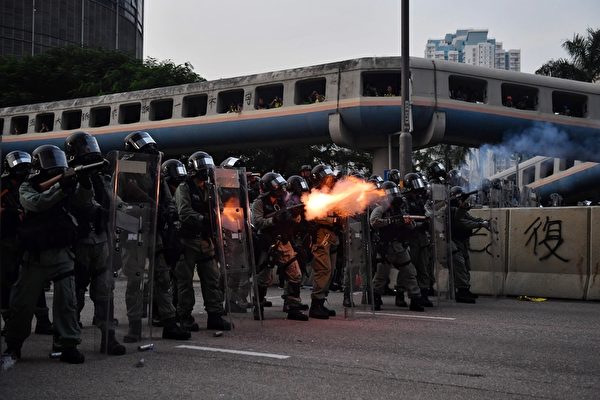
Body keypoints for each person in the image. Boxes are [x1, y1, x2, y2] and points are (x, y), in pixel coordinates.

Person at [3, 145, 91, 363]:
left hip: (61, 254)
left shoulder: (68, 185)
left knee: (67, 303)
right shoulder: (27, 187)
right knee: (22, 305)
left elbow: (85, 203)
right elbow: (36, 203)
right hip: (34, 257)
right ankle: (14, 345)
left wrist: (85, 183)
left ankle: (68, 344)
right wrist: (61, 187)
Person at [120, 131, 190, 342]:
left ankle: (169, 321)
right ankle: (134, 326)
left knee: (162, 277)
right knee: (135, 280)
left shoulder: (153, 169)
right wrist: (134, 215)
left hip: (154, 230)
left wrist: (168, 212)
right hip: (134, 229)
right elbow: (117, 200)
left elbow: (166, 198)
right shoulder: (123, 168)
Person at [65, 132, 126, 355]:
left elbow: (113, 203)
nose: (90, 151)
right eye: (85, 148)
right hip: (79, 243)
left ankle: (108, 337)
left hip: (101, 242)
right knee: (75, 294)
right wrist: (83, 178)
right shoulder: (69, 177)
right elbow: (83, 202)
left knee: (104, 291)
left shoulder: (101, 178)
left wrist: (133, 214)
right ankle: (66, 339)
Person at [175, 150, 232, 331]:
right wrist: (203, 219)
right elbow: (183, 212)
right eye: (202, 166)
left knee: (212, 279)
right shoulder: (184, 188)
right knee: (185, 282)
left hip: (206, 241)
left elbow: (220, 208)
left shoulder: (210, 189)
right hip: (187, 241)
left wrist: (218, 216)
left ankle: (215, 315)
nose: (205, 170)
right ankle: (184, 317)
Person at [1, 151, 54, 337]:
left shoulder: (30, 184)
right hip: (7, 240)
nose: (22, 167)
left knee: (36, 280)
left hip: (28, 238)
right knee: (7, 282)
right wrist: (12, 212)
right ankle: (9, 321)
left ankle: (42, 320)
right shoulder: (4, 186)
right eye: (18, 163)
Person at [251, 172, 308, 321]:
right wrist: (274, 219)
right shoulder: (259, 203)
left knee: (295, 274)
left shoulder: (285, 200)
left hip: (284, 241)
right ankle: (259, 305)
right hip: (267, 242)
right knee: (263, 278)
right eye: (277, 187)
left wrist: (295, 214)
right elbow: (257, 223)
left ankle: (293, 307)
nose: (281, 189)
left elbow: (295, 221)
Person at [370, 181, 426, 312]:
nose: (394, 196)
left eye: (395, 193)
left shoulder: (400, 208)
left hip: (399, 246)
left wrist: (407, 222)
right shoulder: (380, 209)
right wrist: (391, 221)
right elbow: (374, 222)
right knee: (381, 276)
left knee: (410, 272)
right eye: (391, 193)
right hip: (385, 247)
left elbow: (411, 225)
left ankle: (415, 298)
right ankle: (375, 298)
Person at [307, 164, 339, 319]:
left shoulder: (331, 194)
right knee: (323, 269)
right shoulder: (314, 194)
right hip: (321, 234)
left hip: (332, 235)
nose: (330, 180)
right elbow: (313, 215)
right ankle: (316, 305)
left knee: (330, 270)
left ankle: (321, 301)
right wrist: (333, 220)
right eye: (326, 177)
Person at [449, 186, 489, 303]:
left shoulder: (460, 210)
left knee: (465, 265)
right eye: (461, 198)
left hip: (462, 241)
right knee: (460, 266)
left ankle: (465, 289)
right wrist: (480, 224)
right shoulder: (451, 210)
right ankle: (462, 292)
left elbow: (470, 218)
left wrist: (481, 221)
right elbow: (462, 223)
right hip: (454, 241)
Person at [402, 173, 434, 307]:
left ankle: (423, 294)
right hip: (411, 238)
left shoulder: (420, 200)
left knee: (424, 268)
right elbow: (405, 220)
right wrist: (421, 223)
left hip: (421, 238)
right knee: (409, 269)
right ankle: (402, 294)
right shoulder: (404, 201)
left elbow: (426, 214)